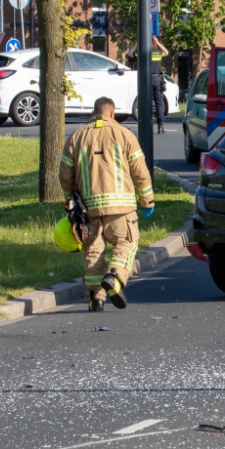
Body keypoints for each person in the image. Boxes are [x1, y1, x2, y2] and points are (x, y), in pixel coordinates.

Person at [60, 97, 155, 311]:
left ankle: (96, 298)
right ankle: (114, 277)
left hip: (89, 209)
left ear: (94, 113)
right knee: (125, 244)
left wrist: (71, 198)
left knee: (93, 251)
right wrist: (147, 200)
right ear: (112, 114)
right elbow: (140, 172)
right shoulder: (124, 135)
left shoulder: (76, 137)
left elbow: (64, 175)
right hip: (121, 208)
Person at [151, 36, 169, 134]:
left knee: (146, 102)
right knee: (159, 103)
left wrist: (138, 44)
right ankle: (160, 125)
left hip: (146, 80)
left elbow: (130, 53)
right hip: (157, 79)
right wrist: (157, 43)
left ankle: (146, 124)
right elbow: (166, 52)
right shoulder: (158, 52)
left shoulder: (144, 52)